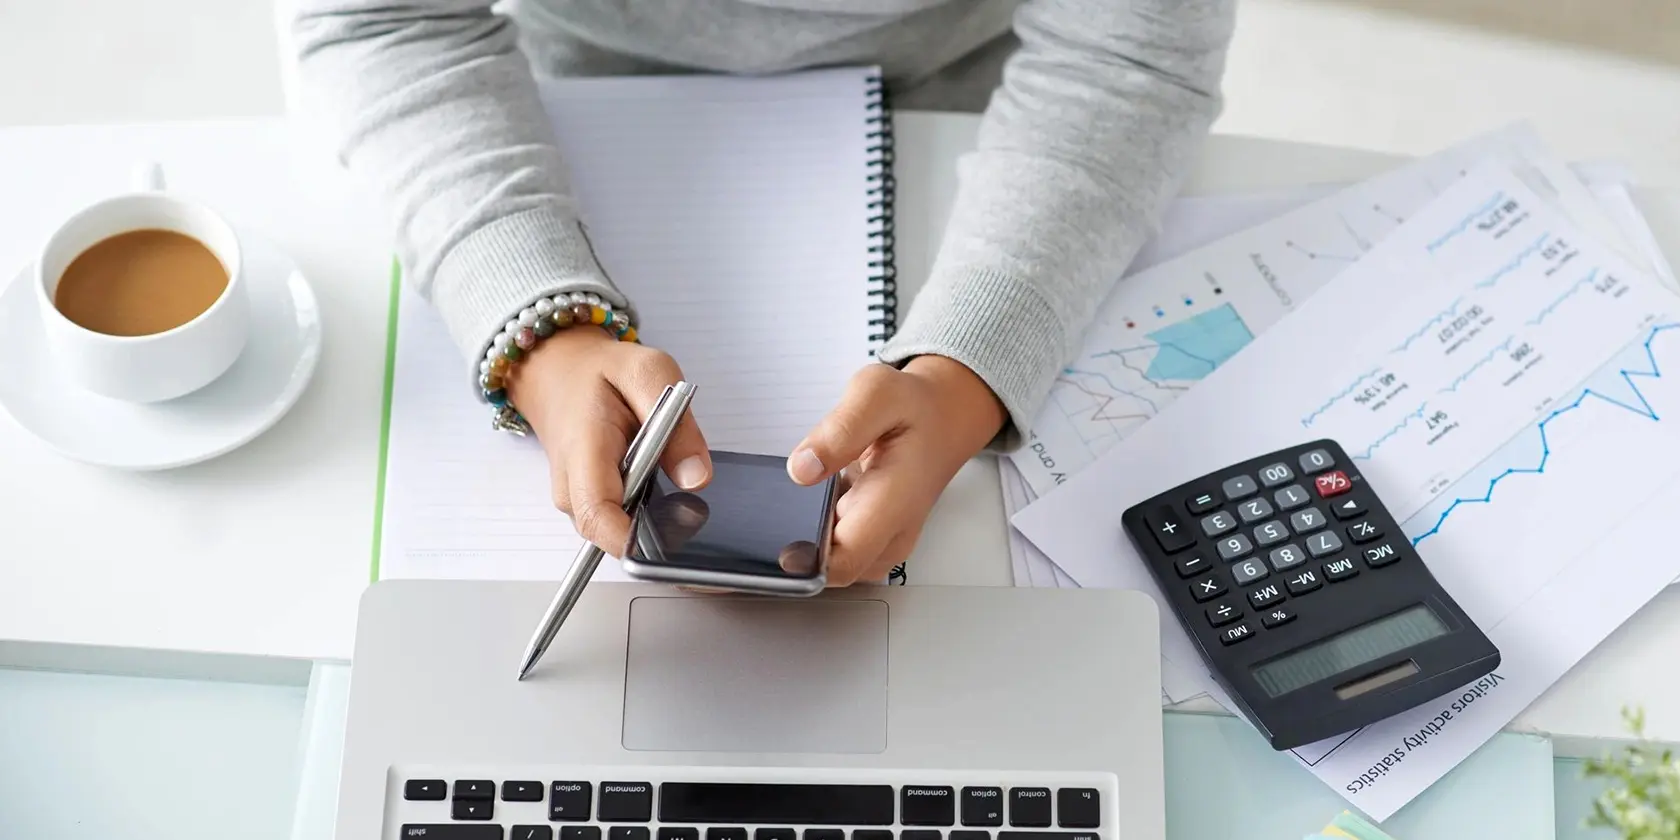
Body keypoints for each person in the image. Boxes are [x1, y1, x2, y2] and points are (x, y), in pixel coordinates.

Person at [292, 0, 1233, 586]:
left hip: (976, 112)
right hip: (544, 96)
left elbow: (1130, 56)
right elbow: (381, 18)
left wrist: (970, 366)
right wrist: (536, 323)